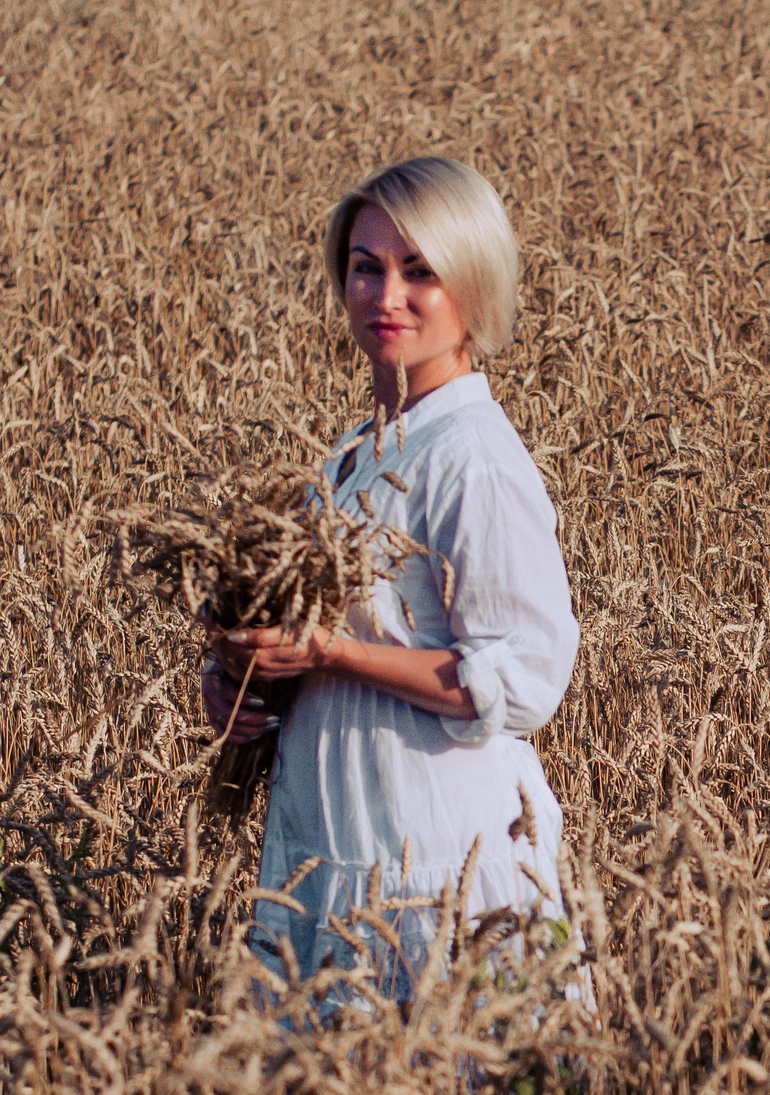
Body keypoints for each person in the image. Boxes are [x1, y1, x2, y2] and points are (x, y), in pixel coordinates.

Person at [202, 156, 578, 1002]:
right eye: (366, 268)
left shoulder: (473, 458)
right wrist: (240, 683)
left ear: (473, 290)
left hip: (438, 853)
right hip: (333, 841)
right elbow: (310, 635)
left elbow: (524, 680)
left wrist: (330, 654)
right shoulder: (354, 454)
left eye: (421, 272)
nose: (386, 297)